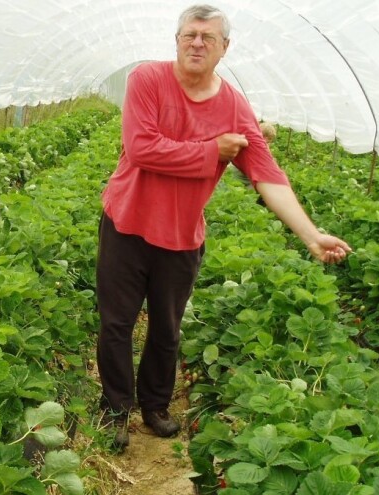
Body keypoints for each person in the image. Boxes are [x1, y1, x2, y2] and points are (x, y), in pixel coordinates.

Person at [96, 4, 351, 451]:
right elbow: (140, 149)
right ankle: (116, 409)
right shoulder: (148, 80)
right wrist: (211, 151)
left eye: (208, 38)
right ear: (176, 40)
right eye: (190, 35)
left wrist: (312, 235)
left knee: (167, 328)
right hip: (127, 225)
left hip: (180, 237)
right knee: (116, 323)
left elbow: (267, 174)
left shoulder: (234, 106)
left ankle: (154, 406)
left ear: (224, 48)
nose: (197, 43)